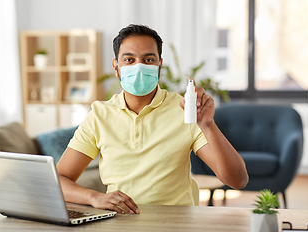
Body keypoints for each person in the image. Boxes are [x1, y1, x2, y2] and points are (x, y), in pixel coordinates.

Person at [56, 24, 248, 215]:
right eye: (129, 59)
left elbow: (237, 180)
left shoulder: (184, 111)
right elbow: (60, 179)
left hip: (176, 224)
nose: (139, 67)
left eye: (148, 59)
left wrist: (208, 125)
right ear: (116, 67)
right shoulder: (99, 115)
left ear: (159, 65)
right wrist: (94, 197)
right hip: (121, 222)